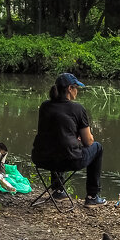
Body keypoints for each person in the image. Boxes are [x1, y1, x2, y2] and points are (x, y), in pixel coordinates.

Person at [30, 72, 107, 206]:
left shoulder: (45, 106)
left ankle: (58, 190)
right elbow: (88, 142)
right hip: (69, 161)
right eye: (76, 88)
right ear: (70, 89)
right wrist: (82, 138)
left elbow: (53, 132)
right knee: (97, 147)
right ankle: (92, 196)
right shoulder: (77, 108)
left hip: (41, 159)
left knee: (57, 144)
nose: (77, 91)